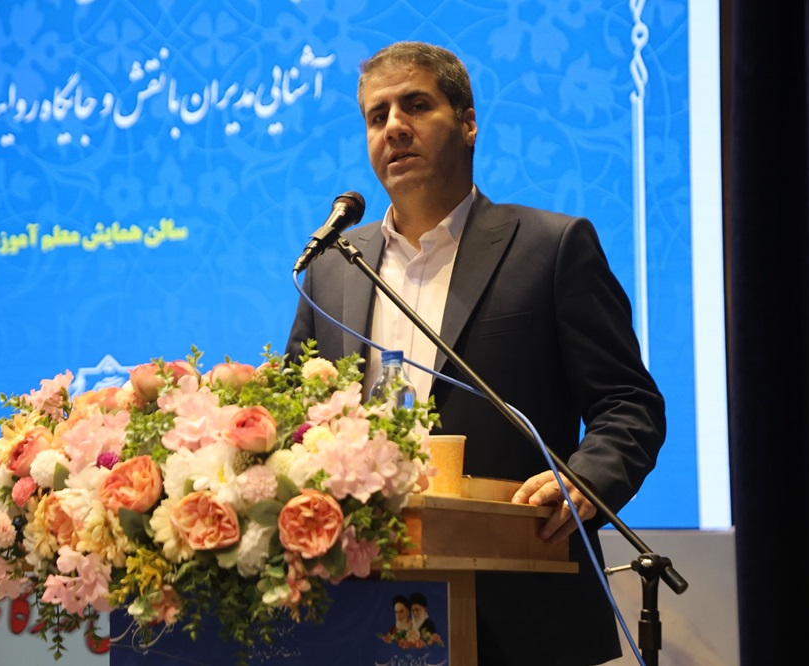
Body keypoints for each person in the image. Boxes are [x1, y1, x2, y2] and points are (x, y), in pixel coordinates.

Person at [285, 41, 666, 665]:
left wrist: (585, 481)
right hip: (358, 611)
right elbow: (295, 421)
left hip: (522, 611)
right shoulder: (332, 268)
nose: (394, 127)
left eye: (415, 106)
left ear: (467, 123)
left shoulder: (551, 246)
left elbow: (628, 404)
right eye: (377, 116)